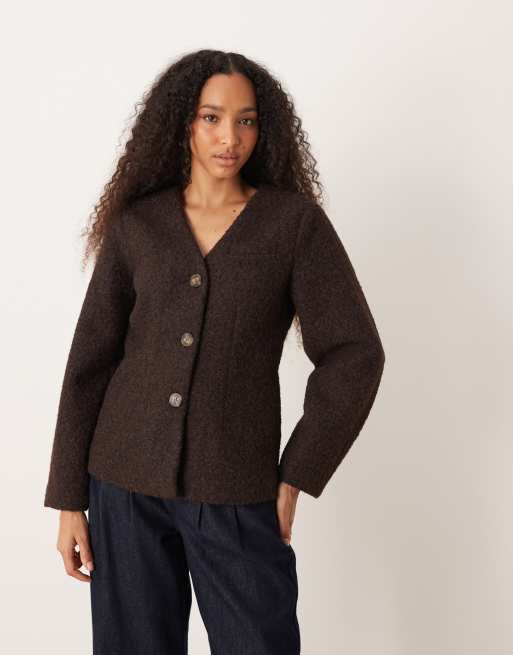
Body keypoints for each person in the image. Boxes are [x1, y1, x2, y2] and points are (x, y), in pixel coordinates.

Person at [44, 49, 386, 655]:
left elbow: (355, 352)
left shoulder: (292, 225)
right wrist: (70, 497)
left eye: (246, 120)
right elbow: (90, 363)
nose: (231, 137)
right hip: (122, 485)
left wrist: (297, 474)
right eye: (212, 118)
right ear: (183, 123)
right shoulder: (138, 225)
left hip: (235, 486)